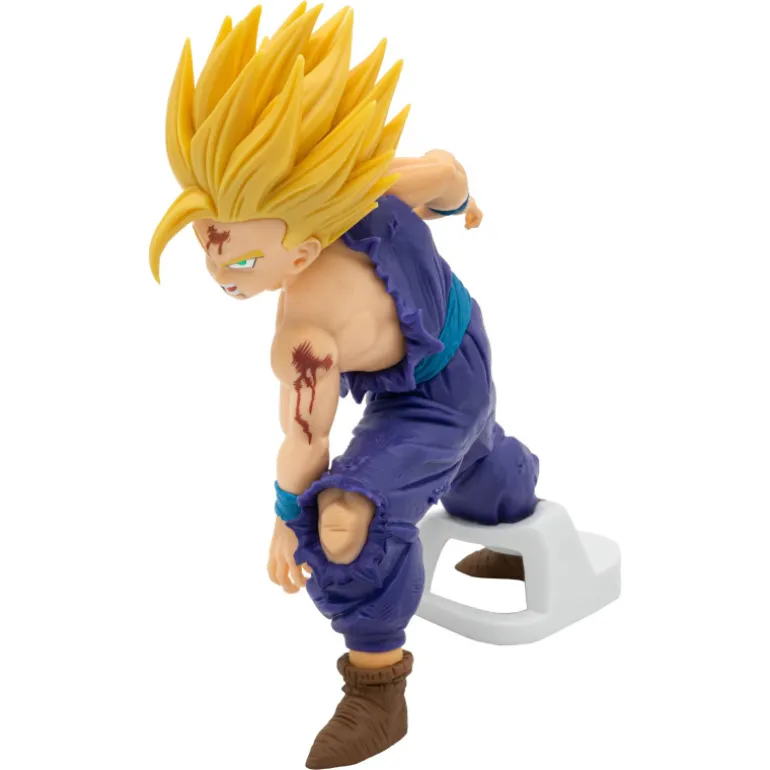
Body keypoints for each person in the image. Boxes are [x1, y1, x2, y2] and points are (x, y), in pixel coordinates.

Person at [150, 4, 539, 768]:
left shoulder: (339, 233)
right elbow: (308, 435)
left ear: (304, 247)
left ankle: (377, 687)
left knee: (343, 521)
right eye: (208, 249)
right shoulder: (339, 242)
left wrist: (290, 519)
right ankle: (508, 494)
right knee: (470, 455)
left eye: (242, 261)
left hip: (450, 368)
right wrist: (459, 204)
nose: (221, 275)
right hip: (449, 366)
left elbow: (448, 174)